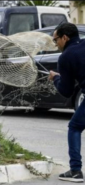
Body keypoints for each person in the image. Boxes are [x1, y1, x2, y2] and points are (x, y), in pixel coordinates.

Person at [49, 22, 85, 183]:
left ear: (65, 37)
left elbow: (66, 91)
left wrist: (56, 78)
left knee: (75, 127)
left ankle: (76, 171)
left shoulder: (66, 57)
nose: (56, 44)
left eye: (56, 40)